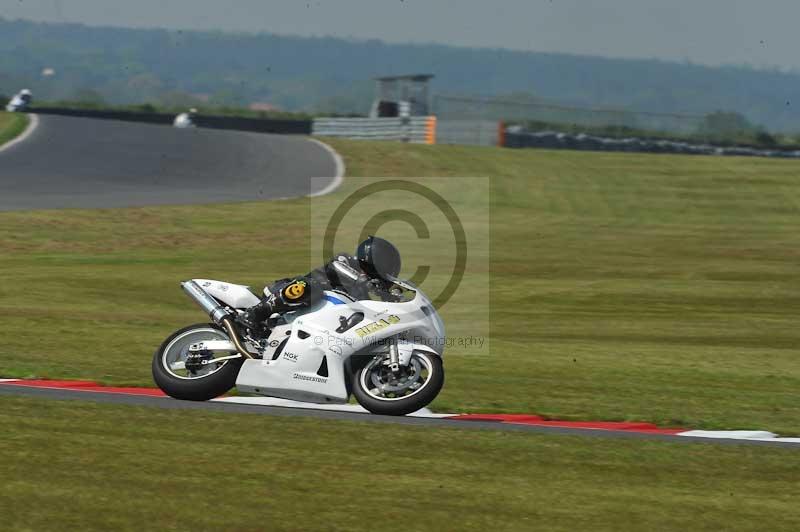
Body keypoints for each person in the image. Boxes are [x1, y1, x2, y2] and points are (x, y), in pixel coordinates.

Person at [240, 236, 401, 333]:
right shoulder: (346, 261)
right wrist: (362, 281)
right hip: (286, 292)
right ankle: (257, 312)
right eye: (387, 269)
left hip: (306, 320)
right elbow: (335, 267)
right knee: (312, 287)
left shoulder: (362, 295)